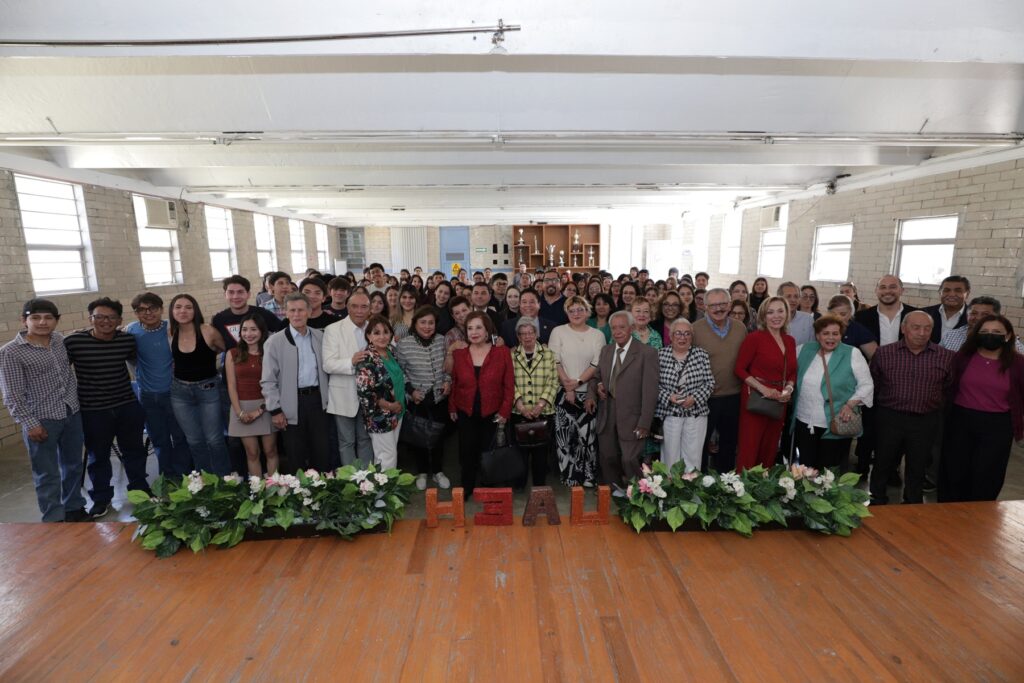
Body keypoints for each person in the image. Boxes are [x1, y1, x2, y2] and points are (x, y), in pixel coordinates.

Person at [0, 299, 88, 522]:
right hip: (42, 420)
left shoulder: (59, 340)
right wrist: (30, 424)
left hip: (71, 412)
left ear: (56, 321)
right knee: (47, 473)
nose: (42, 322)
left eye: (48, 317)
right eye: (35, 318)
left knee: (73, 465)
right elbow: (12, 394)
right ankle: (53, 518)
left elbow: (81, 335)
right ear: (24, 320)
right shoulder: (11, 352)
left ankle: (74, 508)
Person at [64, 297, 150, 518]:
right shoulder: (74, 342)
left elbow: (136, 361)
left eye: (111, 317)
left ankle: (140, 491)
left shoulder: (126, 340)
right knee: (98, 456)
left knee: (134, 451)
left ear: (119, 320)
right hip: (93, 410)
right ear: (90, 318)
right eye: (99, 317)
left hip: (126, 406)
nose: (105, 321)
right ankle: (101, 498)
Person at [868, 311, 954, 505]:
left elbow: (948, 387)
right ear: (903, 329)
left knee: (919, 464)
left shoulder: (945, 356)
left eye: (927, 328)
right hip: (890, 418)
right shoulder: (884, 353)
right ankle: (877, 497)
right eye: (916, 327)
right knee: (883, 460)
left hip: (925, 420)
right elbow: (875, 383)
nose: (922, 333)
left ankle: (913, 502)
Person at [940, 315, 1024, 502]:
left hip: (998, 425)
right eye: (984, 331)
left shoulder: (1018, 363)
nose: (990, 335)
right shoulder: (962, 358)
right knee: (955, 468)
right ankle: (950, 510)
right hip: (960, 420)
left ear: (1008, 336)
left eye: (996, 332)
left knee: (988, 471)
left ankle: (980, 512)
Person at [586, 311, 659, 485]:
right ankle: (614, 491)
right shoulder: (606, 350)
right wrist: (593, 393)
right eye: (614, 328)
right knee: (608, 456)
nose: (617, 332)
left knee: (629, 459)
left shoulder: (647, 353)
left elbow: (650, 392)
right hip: (607, 412)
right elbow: (596, 377)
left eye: (622, 327)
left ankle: (638, 492)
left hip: (633, 416)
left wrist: (645, 423)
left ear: (631, 328)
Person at [791, 315, 873, 471]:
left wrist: (849, 405)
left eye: (835, 333)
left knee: (829, 472)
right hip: (804, 420)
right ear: (817, 335)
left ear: (841, 335)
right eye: (826, 333)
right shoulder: (803, 350)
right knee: (805, 469)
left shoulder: (852, 353)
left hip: (836, 421)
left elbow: (866, 385)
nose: (831, 338)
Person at [261, 293, 330, 473]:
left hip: (317, 401)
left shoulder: (320, 336)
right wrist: (275, 410)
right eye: (292, 310)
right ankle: (299, 489)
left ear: (309, 311)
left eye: (301, 310)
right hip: (290, 404)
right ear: (285, 312)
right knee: (295, 453)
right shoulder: (274, 342)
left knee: (322, 452)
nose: (297, 314)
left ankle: (324, 487)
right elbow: (268, 380)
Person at [448, 312, 514, 499]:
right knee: (467, 451)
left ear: (487, 331)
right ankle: (466, 487)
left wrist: (505, 411)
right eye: (470, 328)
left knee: (489, 452)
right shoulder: (459, 354)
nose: (474, 332)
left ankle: (489, 488)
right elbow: (455, 383)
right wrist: (452, 406)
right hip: (465, 411)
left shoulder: (502, 352)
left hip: (493, 412)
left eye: (478, 327)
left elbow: (509, 385)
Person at [126, 292, 192, 478]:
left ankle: (184, 475)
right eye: (142, 309)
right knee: (159, 439)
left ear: (161, 309)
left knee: (180, 437)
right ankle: (167, 477)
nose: (148, 313)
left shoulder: (173, 327)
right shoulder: (131, 330)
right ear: (136, 313)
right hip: (148, 396)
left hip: (174, 393)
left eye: (152, 308)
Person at [168, 294, 231, 475]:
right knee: (194, 441)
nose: (183, 311)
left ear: (195, 310)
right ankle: (204, 481)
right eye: (178, 307)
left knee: (214, 440)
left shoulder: (208, 331)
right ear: (172, 311)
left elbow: (228, 352)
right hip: (180, 393)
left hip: (208, 390)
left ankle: (224, 480)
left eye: (188, 307)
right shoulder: (171, 332)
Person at [735, 296, 797, 470]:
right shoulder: (754, 338)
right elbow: (739, 369)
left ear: (787, 313)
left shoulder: (790, 340)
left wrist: (788, 389)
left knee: (770, 447)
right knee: (750, 447)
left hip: (779, 400)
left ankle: (764, 484)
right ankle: (744, 485)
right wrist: (763, 389)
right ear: (763, 316)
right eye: (770, 312)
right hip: (756, 398)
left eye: (780, 311)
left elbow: (792, 371)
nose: (776, 316)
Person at [548, 298, 605, 486]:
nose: (576, 313)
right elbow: (555, 361)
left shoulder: (597, 335)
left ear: (588, 312)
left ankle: (588, 477)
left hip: (588, 394)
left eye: (580, 309)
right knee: (565, 439)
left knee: (587, 439)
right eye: (571, 310)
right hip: (564, 394)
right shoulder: (558, 332)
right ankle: (569, 477)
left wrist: (578, 382)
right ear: (566, 312)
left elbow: (596, 364)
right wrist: (568, 387)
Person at [394, 306, 451, 490]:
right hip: (418, 399)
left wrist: (448, 381)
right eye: (423, 322)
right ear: (415, 323)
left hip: (439, 397)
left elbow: (448, 367)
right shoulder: (404, 344)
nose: (427, 326)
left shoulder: (442, 340)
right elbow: (399, 372)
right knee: (419, 438)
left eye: (431, 323)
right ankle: (422, 472)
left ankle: (438, 471)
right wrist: (411, 391)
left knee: (439, 437)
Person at [692, 288, 747, 472]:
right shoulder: (695, 329)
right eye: (713, 305)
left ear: (730, 305)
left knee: (729, 444)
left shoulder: (740, 328)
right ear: (705, 307)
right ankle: (699, 480)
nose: (718, 308)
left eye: (723, 304)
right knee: (701, 443)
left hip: (734, 396)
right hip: (705, 398)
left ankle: (726, 481)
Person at [655, 318, 715, 472]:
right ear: (671, 336)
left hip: (695, 414)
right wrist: (669, 397)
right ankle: (670, 486)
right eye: (678, 333)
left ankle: (691, 485)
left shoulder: (701, 354)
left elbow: (709, 383)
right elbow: (654, 385)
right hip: (670, 414)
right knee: (670, 457)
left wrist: (694, 398)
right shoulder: (660, 355)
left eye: (687, 334)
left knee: (693, 458)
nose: (683, 337)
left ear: (692, 336)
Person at [323, 291, 375, 466]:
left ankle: (368, 478)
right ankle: (350, 479)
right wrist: (351, 362)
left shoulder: (374, 328)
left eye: (364, 307)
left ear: (370, 309)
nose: (359, 311)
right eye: (354, 306)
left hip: (369, 395)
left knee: (366, 439)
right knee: (346, 442)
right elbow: (328, 364)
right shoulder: (333, 329)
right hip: (343, 395)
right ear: (347, 307)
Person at [225, 314, 279, 476]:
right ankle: (258, 488)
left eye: (253, 329)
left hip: (267, 406)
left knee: (270, 450)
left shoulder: (270, 352)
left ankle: (275, 486)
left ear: (262, 331)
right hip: (241, 408)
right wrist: (239, 412)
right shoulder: (232, 354)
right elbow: (231, 385)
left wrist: (260, 410)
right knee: (252, 453)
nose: (248, 334)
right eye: (245, 330)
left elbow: (276, 384)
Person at [511, 316, 559, 488]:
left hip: (543, 412)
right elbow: (509, 382)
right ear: (518, 336)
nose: (527, 336)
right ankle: (520, 486)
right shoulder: (512, 355)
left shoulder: (549, 354)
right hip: (519, 412)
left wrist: (540, 405)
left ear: (536, 334)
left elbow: (553, 382)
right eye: (523, 333)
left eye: (530, 332)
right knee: (520, 452)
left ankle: (539, 487)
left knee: (541, 454)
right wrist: (520, 406)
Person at [355, 316, 406, 470]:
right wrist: (390, 406)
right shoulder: (366, 359)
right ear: (369, 336)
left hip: (397, 413)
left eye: (386, 332)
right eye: (376, 333)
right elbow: (365, 394)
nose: (382, 336)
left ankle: (381, 484)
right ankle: (385, 486)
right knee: (387, 457)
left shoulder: (391, 352)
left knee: (386, 456)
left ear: (391, 334)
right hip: (380, 417)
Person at [212, 275, 285, 349]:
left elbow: (283, 331)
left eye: (240, 292)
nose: (235, 296)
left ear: (248, 294)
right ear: (225, 295)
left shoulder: (263, 314)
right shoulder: (218, 319)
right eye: (231, 292)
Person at [942, 296, 1024, 353]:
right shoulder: (950, 335)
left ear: (998, 317)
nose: (978, 318)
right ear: (967, 315)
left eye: (985, 314)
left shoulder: (1008, 341)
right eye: (973, 313)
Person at [854, 274, 918, 346]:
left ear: (902, 291)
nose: (887, 291)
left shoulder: (916, 316)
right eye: (883, 287)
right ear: (876, 291)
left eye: (893, 287)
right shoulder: (861, 317)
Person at [826, 294, 878, 360]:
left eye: (843, 314)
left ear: (850, 312)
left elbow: (875, 358)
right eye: (834, 314)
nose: (838, 318)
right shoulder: (823, 328)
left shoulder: (858, 330)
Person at [922, 275, 970, 344]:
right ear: (940, 293)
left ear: (967, 294)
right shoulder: (925, 313)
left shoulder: (973, 318)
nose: (952, 294)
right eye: (946, 290)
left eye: (958, 291)